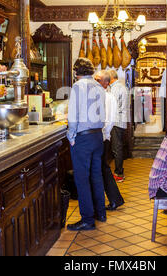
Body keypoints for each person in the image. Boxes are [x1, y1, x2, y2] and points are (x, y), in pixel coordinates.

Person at [66, 58, 107, 231]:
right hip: (97, 136)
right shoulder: (99, 87)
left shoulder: (78, 86)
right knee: (96, 175)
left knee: (82, 179)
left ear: (76, 72)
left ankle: (87, 219)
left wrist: (71, 135)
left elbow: (73, 114)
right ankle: (100, 212)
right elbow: (103, 113)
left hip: (83, 138)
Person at [94, 70, 125, 211]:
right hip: (102, 136)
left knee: (101, 169)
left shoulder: (107, 97)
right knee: (103, 169)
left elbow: (109, 120)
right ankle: (115, 199)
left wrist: (103, 134)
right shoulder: (99, 96)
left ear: (105, 82)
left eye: (96, 79)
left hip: (101, 137)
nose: (94, 81)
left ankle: (112, 200)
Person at [108, 69, 129, 183]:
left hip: (116, 121)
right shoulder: (120, 86)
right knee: (117, 147)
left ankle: (119, 173)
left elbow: (113, 106)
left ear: (111, 78)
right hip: (120, 120)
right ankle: (119, 171)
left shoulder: (116, 88)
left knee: (117, 148)